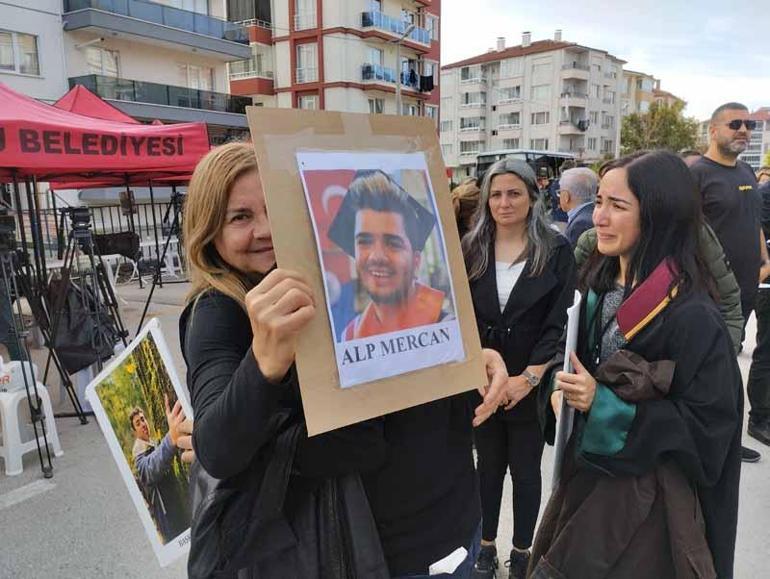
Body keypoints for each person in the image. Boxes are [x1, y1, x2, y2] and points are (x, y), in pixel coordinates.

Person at [179, 142, 509, 578]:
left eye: (273, 210)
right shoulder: (219, 311)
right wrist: (265, 362)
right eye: (240, 217)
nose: (266, 230)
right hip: (374, 548)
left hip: (454, 519)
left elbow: (430, 404)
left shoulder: (341, 293)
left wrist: (469, 358)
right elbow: (219, 449)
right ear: (209, 231)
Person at [531, 151, 742, 579]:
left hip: (651, 519)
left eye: (618, 206)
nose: (599, 219)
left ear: (660, 214)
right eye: (600, 202)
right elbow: (565, 357)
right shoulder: (596, 287)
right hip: (585, 493)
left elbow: (710, 433)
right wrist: (558, 386)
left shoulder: (693, 317)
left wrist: (605, 405)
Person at [462, 158, 576, 579]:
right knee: (486, 468)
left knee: (526, 472)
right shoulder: (470, 247)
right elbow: (460, 315)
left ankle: (523, 550)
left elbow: (560, 319)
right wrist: (482, 370)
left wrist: (530, 376)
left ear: (532, 196)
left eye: (514, 193)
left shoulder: (556, 249)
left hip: (532, 380)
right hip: (482, 383)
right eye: (496, 194)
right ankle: (486, 545)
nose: (504, 202)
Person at [690, 101, 769, 463]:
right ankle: (701, 443)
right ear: (713, 130)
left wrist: (764, 259)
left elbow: (751, 222)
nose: (744, 131)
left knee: (729, 366)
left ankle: (725, 439)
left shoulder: (747, 174)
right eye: (735, 123)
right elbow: (685, 235)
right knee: (706, 372)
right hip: (709, 294)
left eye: (749, 125)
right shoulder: (697, 175)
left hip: (747, 291)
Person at [327, 170, 449, 341]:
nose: (376, 257)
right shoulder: (349, 337)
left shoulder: (448, 330)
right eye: (364, 241)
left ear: (416, 262)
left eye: (393, 243)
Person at [130, 400, 191, 543]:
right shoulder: (138, 454)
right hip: (167, 517)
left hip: (178, 504)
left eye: (143, 419)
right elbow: (149, 470)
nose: (143, 424)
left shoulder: (153, 443)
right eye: (138, 423)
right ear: (134, 432)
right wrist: (171, 439)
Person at [746, 175, 770, 446]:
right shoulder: (764, 194)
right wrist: (765, 264)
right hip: (766, 288)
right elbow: (756, 230)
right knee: (766, 353)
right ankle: (759, 418)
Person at [558, 167, 598, 247]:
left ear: (566, 196)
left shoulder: (580, 224)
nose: (559, 196)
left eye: (559, 192)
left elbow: (572, 258)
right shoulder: (594, 212)